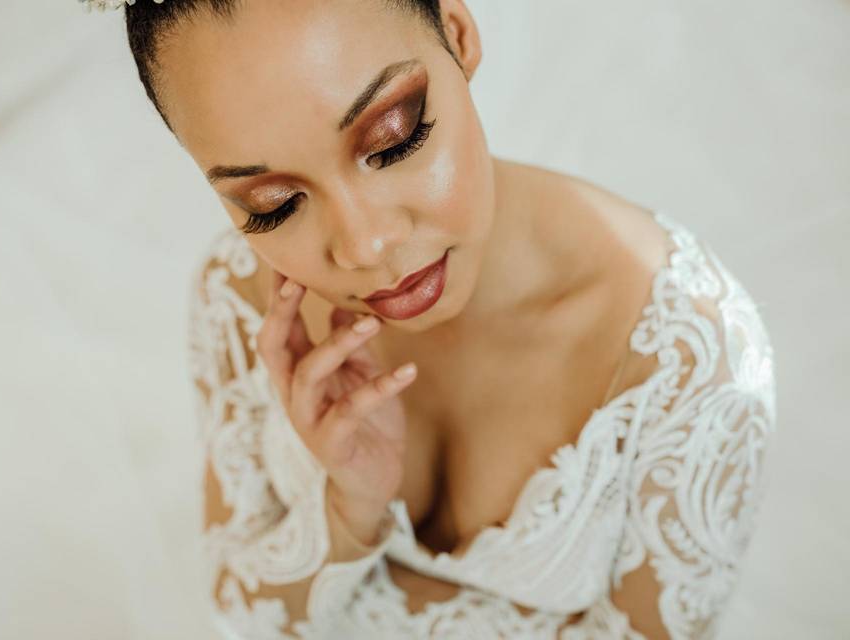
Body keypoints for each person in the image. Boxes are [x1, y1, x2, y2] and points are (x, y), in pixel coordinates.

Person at [101, 0, 777, 637]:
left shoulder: (695, 357)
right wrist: (346, 512)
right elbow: (244, 615)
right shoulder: (241, 298)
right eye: (274, 205)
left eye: (393, 141)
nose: (364, 248)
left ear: (458, 34)